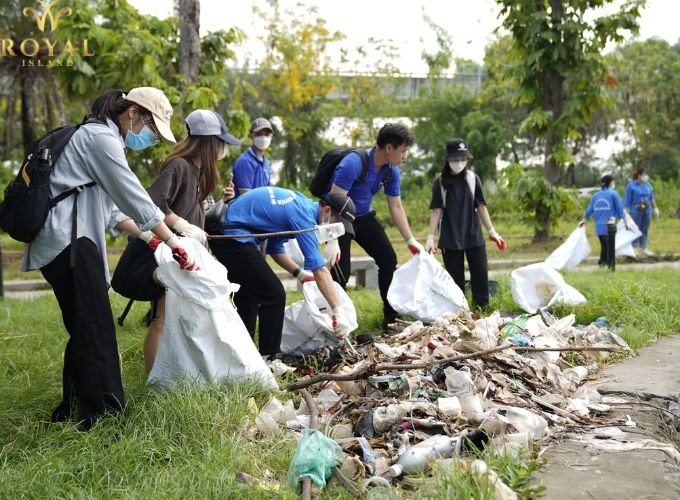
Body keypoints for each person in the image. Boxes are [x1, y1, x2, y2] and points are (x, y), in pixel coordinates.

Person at [21, 88, 198, 429]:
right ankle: (104, 418)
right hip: (69, 242)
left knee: (84, 326)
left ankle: (71, 410)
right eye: (151, 126)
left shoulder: (101, 139)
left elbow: (114, 213)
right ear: (133, 112)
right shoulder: (101, 139)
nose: (150, 137)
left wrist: (150, 239)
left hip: (70, 241)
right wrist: (174, 240)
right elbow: (137, 199)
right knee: (96, 329)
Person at [137, 109, 241, 372]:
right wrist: (181, 224)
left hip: (186, 254)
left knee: (181, 318)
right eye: (221, 143)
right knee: (161, 318)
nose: (223, 150)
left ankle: (178, 372)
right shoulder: (179, 165)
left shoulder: (197, 171)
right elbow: (153, 203)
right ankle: (153, 381)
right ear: (209, 142)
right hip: (168, 252)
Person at [208, 186, 355, 359]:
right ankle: (269, 357)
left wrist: (301, 275)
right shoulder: (303, 215)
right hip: (228, 235)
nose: (332, 232)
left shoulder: (302, 205)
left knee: (249, 296)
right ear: (327, 210)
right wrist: (338, 311)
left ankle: (240, 356)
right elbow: (320, 269)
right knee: (274, 294)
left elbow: (275, 249)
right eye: (335, 223)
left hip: (229, 234)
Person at [326, 123, 423, 330]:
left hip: (363, 217)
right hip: (340, 217)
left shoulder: (391, 171)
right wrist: (332, 239)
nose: (405, 156)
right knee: (341, 271)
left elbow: (396, 206)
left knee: (388, 260)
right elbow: (334, 202)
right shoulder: (353, 163)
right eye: (403, 151)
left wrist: (410, 240)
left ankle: (391, 318)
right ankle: (337, 323)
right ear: (389, 148)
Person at [424, 138, 505, 309]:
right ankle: (458, 309)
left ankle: (482, 308)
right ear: (448, 160)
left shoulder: (472, 179)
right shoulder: (440, 183)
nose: (459, 162)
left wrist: (492, 232)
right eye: (455, 159)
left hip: (473, 233)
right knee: (454, 279)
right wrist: (430, 237)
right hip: (450, 235)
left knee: (480, 273)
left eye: (462, 159)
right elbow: (436, 211)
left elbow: (481, 207)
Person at [579, 175, 626, 270]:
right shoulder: (614, 194)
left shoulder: (596, 195)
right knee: (607, 247)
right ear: (610, 183)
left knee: (605, 246)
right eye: (613, 182)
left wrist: (584, 219)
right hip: (610, 225)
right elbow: (620, 209)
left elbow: (590, 209)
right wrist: (625, 221)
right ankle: (603, 264)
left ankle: (605, 266)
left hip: (599, 226)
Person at [232, 117, 273, 197]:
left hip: (260, 207)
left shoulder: (266, 163)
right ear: (251, 135)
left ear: (271, 136)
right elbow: (246, 197)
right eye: (259, 134)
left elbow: (268, 192)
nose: (263, 137)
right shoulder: (245, 161)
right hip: (246, 208)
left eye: (266, 134)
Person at [623, 168, 659, 256]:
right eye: (644, 175)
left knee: (645, 229)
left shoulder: (648, 185)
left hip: (647, 210)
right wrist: (624, 209)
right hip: (635, 210)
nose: (646, 177)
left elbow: (651, 197)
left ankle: (644, 248)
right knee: (635, 229)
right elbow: (627, 198)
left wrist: (655, 208)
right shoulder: (631, 186)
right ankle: (634, 248)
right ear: (639, 175)